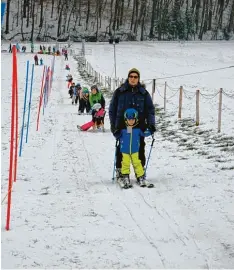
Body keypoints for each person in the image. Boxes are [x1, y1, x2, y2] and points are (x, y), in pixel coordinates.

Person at [109, 68, 156, 184]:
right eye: (131, 76)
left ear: (138, 79)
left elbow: (150, 110)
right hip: (123, 126)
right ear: (128, 77)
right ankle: (121, 171)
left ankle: (140, 172)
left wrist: (151, 125)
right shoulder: (120, 92)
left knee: (140, 148)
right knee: (122, 149)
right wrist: (113, 126)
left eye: (135, 77)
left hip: (139, 127)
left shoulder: (144, 93)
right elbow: (112, 110)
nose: (133, 79)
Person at [117, 108, 151, 188]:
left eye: (132, 119)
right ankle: (125, 176)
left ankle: (140, 176)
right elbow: (117, 135)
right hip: (125, 150)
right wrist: (116, 132)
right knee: (125, 163)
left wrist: (151, 131)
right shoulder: (123, 129)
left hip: (135, 150)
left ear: (136, 119)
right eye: (129, 120)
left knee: (137, 163)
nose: (131, 121)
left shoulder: (137, 129)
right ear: (126, 120)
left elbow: (144, 134)